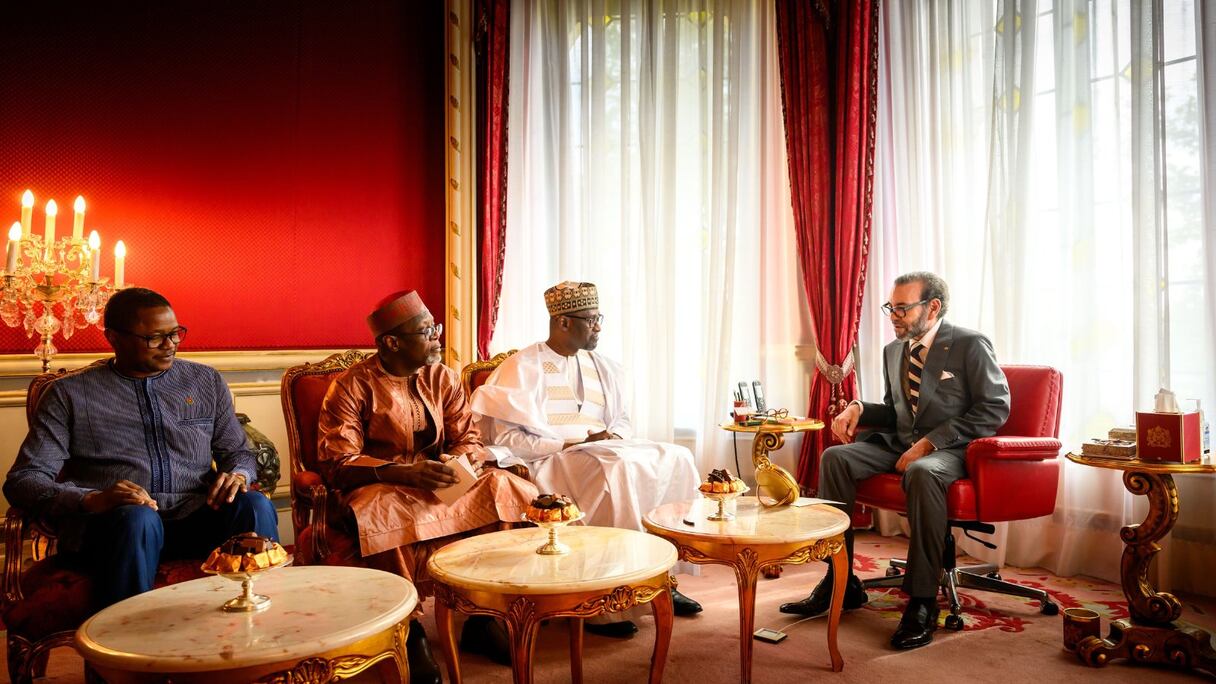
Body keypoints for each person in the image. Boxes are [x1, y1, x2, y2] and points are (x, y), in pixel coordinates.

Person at [4, 287, 279, 609]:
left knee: (254, 504)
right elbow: (24, 480)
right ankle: (126, 636)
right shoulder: (69, 395)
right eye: (154, 338)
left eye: (175, 333)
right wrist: (92, 499)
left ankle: (268, 618)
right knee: (138, 519)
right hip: (115, 528)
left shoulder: (204, 381)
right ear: (113, 338)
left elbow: (238, 453)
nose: (170, 344)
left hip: (195, 519)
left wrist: (239, 474)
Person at [779, 272, 1010, 650]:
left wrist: (931, 443)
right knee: (835, 458)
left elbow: (994, 408)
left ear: (933, 307)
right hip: (901, 444)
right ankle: (840, 581)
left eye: (902, 308)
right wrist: (858, 408)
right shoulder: (894, 351)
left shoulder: (969, 344)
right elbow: (895, 412)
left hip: (953, 450)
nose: (893, 316)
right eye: (891, 307)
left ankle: (922, 601)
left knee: (922, 471)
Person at [316, 289, 537, 684]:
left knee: (505, 487)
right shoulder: (351, 386)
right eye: (426, 331)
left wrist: (457, 465)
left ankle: (483, 616)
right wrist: (402, 474)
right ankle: (409, 627)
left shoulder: (443, 378)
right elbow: (338, 461)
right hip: (383, 486)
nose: (437, 338)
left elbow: (468, 438)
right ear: (391, 342)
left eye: (435, 328)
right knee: (380, 510)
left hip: (441, 483)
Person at [470, 281, 703, 638]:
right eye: (591, 320)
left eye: (599, 319)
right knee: (615, 470)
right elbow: (504, 437)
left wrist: (612, 438)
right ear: (563, 322)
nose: (598, 327)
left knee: (676, 456)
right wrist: (573, 442)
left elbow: (621, 420)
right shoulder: (522, 367)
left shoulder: (605, 367)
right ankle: (605, 601)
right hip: (550, 459)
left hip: (604, 451)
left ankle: (661, 579)